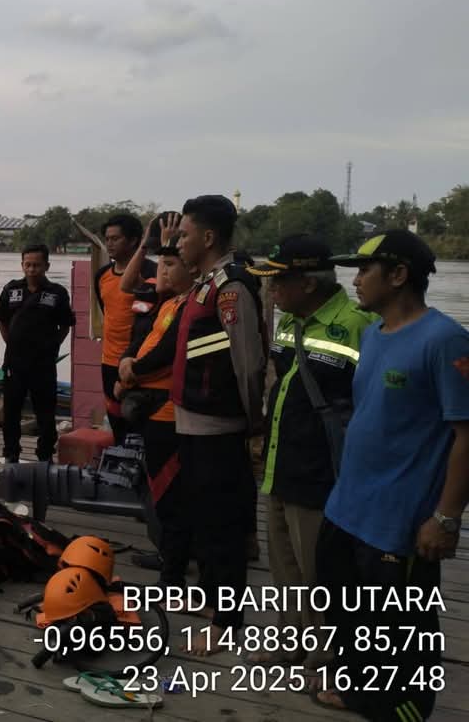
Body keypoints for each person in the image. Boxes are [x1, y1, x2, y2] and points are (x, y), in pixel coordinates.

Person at [313, 230, 469, 719]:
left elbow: (466, 435)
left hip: (399, 517)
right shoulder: (373, 334)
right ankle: (359, 688)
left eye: (365, 270)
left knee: (402, 627)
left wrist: (446, 518)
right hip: (348, 505)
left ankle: (405, 708)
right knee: (347, 611)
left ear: (399, 275)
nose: (355, 280)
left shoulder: (444, 340)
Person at [243, 234, 375, 675]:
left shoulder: (358, 325)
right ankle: (291, 641)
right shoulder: (288, 322)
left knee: (319, 569)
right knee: (284, 566)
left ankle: (326, 657)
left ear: (309, 283)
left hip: (324, 472)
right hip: (280, 463)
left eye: (278, 282)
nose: (271, 290)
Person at [172, 195, 266, 656]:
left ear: (208, 237)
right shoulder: (203, 285)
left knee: (223, 527)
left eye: (184, 234)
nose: (178, 243)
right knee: (203, 520)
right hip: (192, 423)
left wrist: (253, 427)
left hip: (219, 427)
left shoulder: (232, 288)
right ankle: (213, 602)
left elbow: (249, 364)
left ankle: (227, 623)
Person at [115, 214, 195, 590]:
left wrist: (131, 372)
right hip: (150, 405)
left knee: (169, 492)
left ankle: (173, 575)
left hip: (167, 410)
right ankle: (168, 558)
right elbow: (143, 340)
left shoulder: (189, 305)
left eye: (170, 264)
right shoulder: (168, 304)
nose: (162, 270)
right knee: (159, 491)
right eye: (160, 264)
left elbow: (165, 353)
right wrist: (126, 363)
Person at [0, 245, 75, 463]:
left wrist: (53, 347)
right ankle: (11, 453)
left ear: (47, 265)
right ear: (22, 265)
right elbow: (1, 319)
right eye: (27, 265)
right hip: (15, 363)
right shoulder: (11, 289)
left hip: (43, 364)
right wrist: (11, 343)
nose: (31, 269)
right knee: (11, 411)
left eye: (36, 265)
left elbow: (66, 325)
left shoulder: (57, 293)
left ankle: (45, 455)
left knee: (45, 412)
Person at [95, 214, 157, 441]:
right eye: (107, 239)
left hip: (137, 362)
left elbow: (153, 321)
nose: (109, 243)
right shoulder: (102, 275)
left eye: (115, 238)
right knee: (116, 421)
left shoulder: (152, 273)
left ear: (133, 241)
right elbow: (108, 312)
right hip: (108, 361)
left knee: (138, 423)